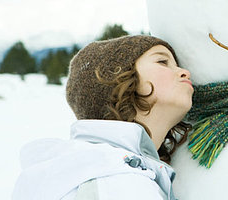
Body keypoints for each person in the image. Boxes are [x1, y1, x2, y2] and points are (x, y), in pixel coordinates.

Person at [12, 35, 193, 200]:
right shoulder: (117, 182)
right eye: (162, 61)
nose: (185, 72)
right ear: (119, 81)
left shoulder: (98, 169)